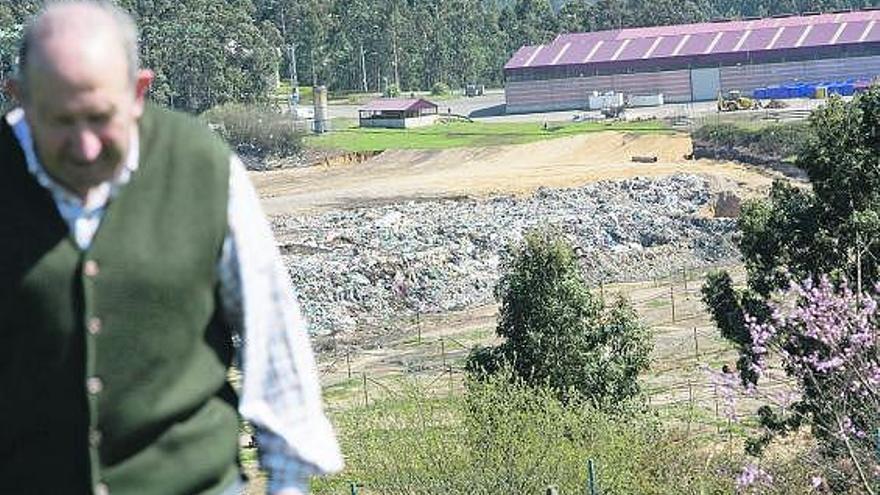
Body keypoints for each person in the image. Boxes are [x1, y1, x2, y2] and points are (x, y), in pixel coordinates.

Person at [0, 2, 342, 494]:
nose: (86, 145)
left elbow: (271, 339)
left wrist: (286, 484)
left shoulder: (205, 168)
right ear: (20, 99)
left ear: (138, 91)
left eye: (100, 118)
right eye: (60, 121)